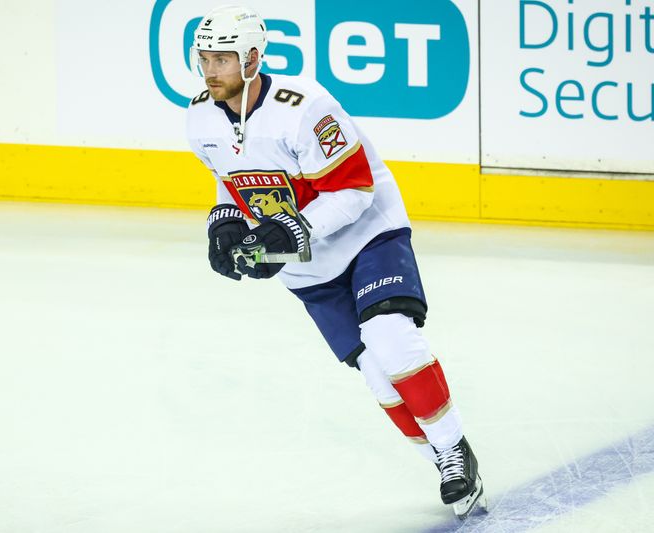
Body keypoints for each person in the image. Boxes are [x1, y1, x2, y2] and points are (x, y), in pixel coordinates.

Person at [186, 5, 486, 519]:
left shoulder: (304, 108)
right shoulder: (199, 116)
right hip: (306, 264)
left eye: (222, 58)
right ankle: (441, 457)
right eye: (205, 58)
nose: (211, 70)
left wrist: (290, 229)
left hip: (369, 234)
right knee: (375, 373)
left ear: (253, 58)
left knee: (391, 338)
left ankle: (457, 452)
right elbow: (229, 176)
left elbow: (354, 189)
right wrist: (224, 221)